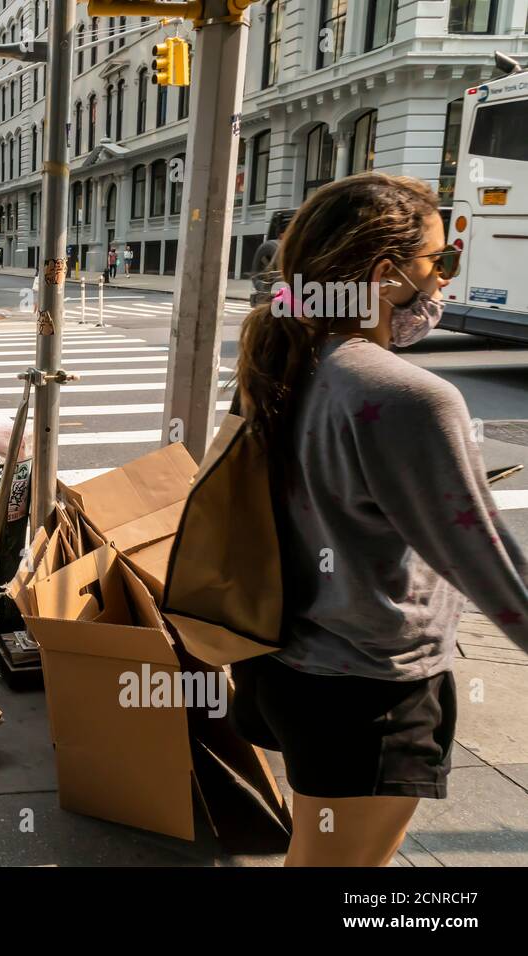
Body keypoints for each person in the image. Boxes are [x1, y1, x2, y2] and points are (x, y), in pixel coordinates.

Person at [230, 172, 528, 866]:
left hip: (284, 668)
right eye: (439, 261)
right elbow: (488, 563)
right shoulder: (408, 395)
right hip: (370, 693)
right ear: (389, 273)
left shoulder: (285, 363)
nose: (447, 282)